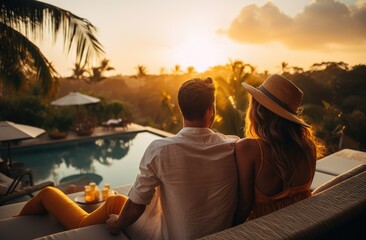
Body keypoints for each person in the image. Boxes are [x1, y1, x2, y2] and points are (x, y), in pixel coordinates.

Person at [17, 77, 239, 239]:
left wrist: (116, 225)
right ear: (211, 110)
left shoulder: (161, 150)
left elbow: (137, 205)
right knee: (115, 200)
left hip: (166, 236)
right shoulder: (232, 146)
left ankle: (21, 221)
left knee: (54, 194)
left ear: (181, 109)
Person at [233, 74, 325, 225]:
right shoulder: (309, 149)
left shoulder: (249, 149)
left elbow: (245, 205)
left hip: (266, 231)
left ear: (258, 110)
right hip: (304, 227)